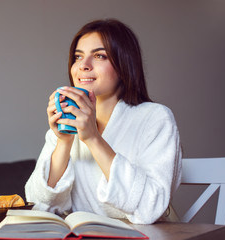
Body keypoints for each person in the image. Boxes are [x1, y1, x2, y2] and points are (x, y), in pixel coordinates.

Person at [25, 18, 181, 224]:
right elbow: (38, 204)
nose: (83, 66)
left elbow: (150, 208)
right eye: (78, 57)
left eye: (99, 56)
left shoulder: (155, 118)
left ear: (124, 64)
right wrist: (63, 142)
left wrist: (92, 138)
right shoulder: (67, 122)